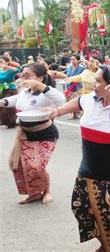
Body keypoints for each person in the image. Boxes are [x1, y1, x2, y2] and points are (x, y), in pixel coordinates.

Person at [48, 64, 110, 251]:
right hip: (90, 168)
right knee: (82, 207)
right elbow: (77, 102)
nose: (94, 84)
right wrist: (57, 112)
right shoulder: (91, 100)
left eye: (98, 81)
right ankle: (105, 242)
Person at [0, 63, 66, 204]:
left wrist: (40, 86)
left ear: (41, 78)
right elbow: (15, 100)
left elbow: (61, 100)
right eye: (23, 75)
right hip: (25, 134)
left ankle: (47, 191)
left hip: (45, 134)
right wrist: (3, 102)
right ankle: (35, 192)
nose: (24, 78)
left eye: (28, 75)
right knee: (19, 165)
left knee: (37, 166)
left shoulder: (47, 92)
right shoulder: (25, 92)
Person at [0, 55, 20, 128]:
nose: (0, 63)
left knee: (10, 106)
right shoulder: (0, 69)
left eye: (1, 61)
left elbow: (18, 70)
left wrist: (7, 66)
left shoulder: (11, 70)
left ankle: (12, 122)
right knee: (1, 106)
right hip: (1, 89)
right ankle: (5, 122)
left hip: (11, 89)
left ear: (7, 62)